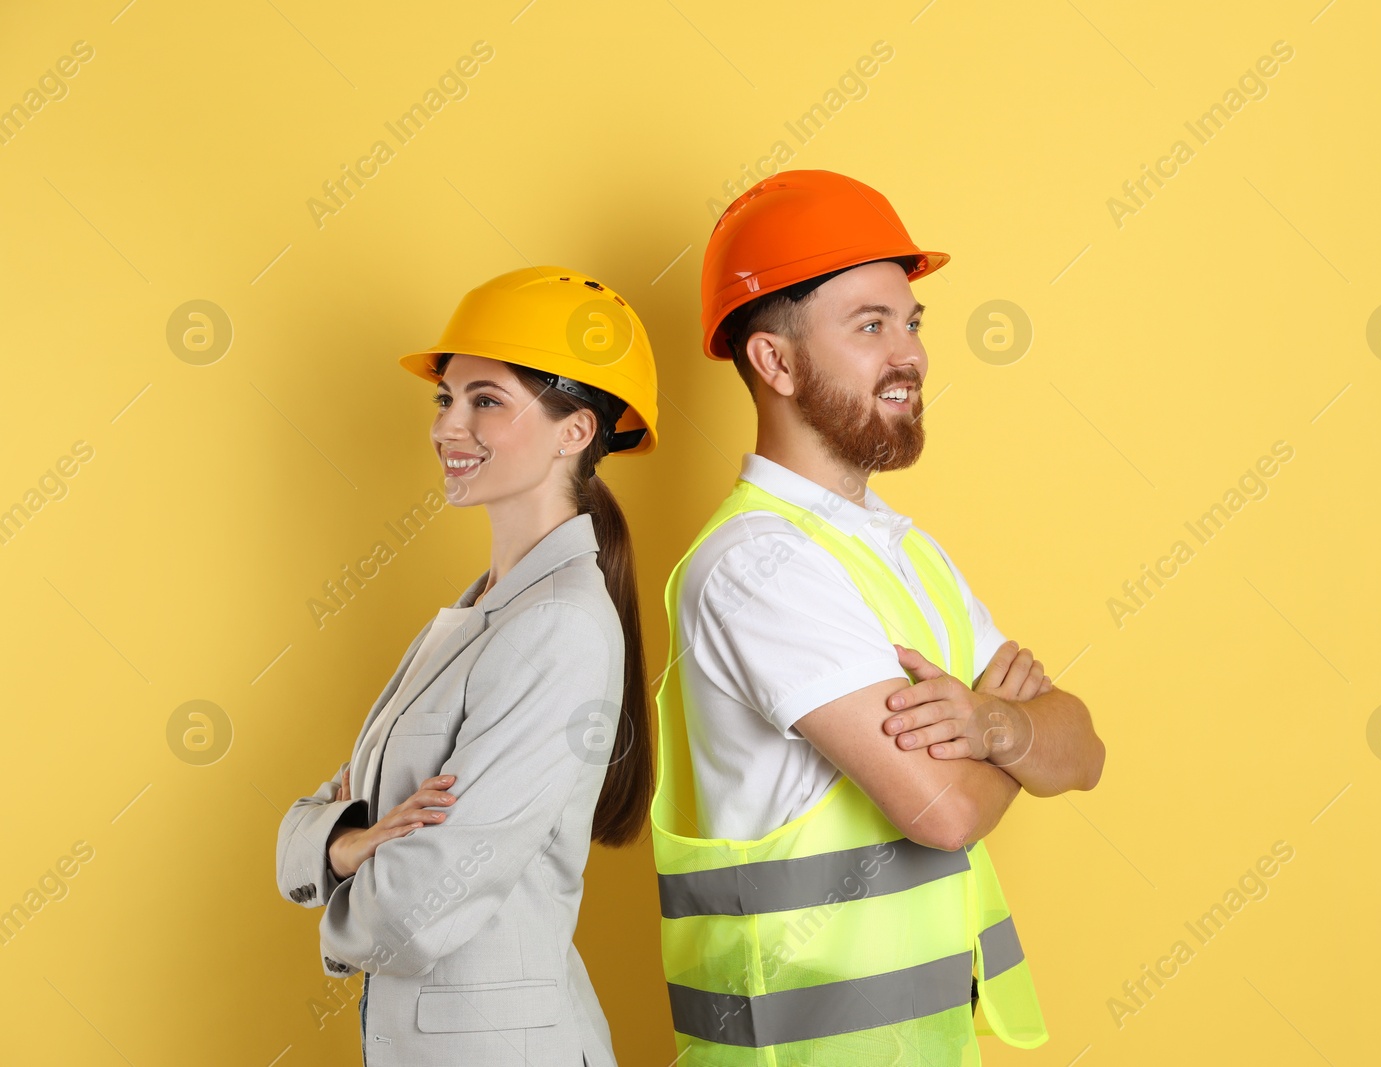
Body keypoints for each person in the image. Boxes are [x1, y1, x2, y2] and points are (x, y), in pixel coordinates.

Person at [648, 170, 1107, 1065]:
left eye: (911, 323)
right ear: (774, 363)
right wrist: (1011, 738)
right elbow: (939, 810)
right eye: (869, 326)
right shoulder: (757, 564)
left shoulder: (905, 551)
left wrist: (986, 723)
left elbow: (1085, 749)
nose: (911, 354)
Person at [275, 266, 658, 1067]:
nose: (450, 425)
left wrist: (337, 860)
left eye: (486, 400)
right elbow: (328, 808)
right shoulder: (484, 610)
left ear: (574, 430)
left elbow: (415, 910)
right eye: (446, 398)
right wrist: (349, 841)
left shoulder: (558, 627)